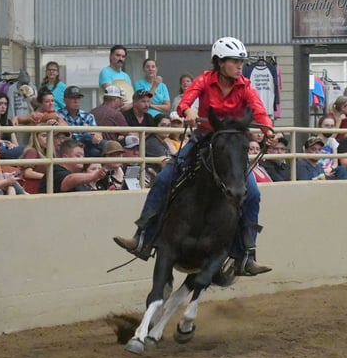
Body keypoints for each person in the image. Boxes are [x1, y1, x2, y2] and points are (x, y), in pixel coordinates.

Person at [113, 36, 275, 277]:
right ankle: (142, 236)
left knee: (253, 193)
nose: (240, 66)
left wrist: (269, 130)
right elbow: (185, 102)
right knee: (165, 177)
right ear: (220, 63)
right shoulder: (203, 80)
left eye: (241, 61)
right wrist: (188, 110)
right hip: (204, 138)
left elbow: (260, 112)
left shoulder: (245, 85)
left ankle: (246, 255)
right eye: (235, 61)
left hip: (229, 145)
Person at [38, 138, 107, 194]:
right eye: (78, 156)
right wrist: (94, 176)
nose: (82, 159)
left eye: (83, 156)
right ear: (65, 157)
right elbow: (69, 180)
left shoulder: (74, 173)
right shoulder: (55, 170)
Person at [58, 85, 105, 158]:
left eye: (78, 98)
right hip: (68, 145)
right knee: (87, 136)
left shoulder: (88, 116)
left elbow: (97, 134)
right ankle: (108, 147)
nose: (76, 101)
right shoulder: (58, 115)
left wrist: (96, 136)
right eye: (72, 98)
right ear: (65, 100)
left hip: (86, 146)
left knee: (95, 151)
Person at [0, 91, 25, 159]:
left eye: (5, 104)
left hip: (9, 150)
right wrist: (6, 143)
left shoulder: (8, 122)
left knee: (27, 150)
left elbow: (16, 143)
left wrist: (12, 146)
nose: (3, 106)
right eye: (0, 104)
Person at [99, 45, 133, 111]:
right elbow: (111, 93)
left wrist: (130, 105)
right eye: (118, 55)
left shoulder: (126, 76)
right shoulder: (105, 72)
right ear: (110, 56)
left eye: (123, 56)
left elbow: (130, 95)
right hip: (109, 111)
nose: (120, 58)